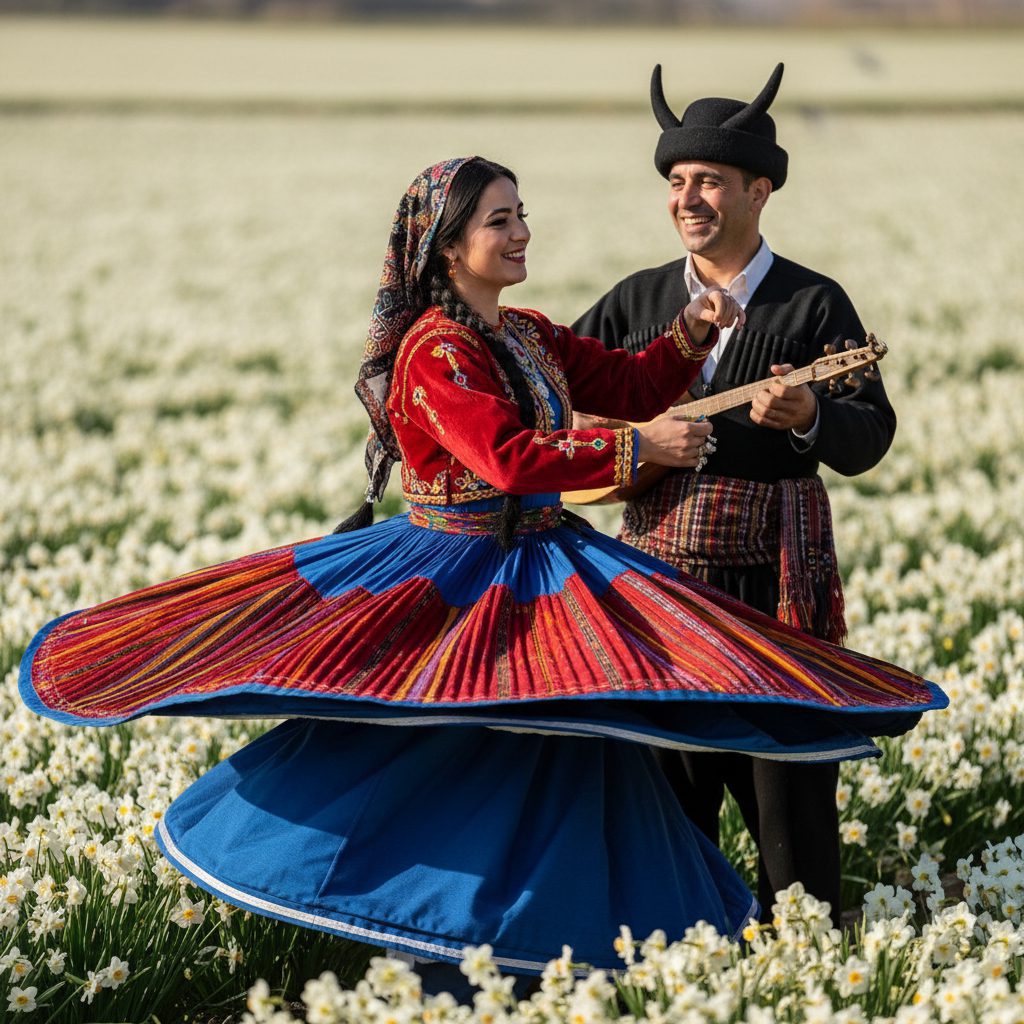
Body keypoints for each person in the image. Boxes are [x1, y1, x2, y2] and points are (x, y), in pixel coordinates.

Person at [20, 156, 942, 987]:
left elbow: (626, 381)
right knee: (459, 751)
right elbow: (508, 459)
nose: (520, 232)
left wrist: (695, 334)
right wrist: (635, 455)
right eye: (499, 220)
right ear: (448, 244)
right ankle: (443, 948)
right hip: (460, 571)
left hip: (538, 559)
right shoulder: (436, 351)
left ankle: (570, 949)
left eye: (522, 214)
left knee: (558, 753)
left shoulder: (530, 333)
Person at [571, 64, 898, 922]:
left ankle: (802, 960)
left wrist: (808, 415)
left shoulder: (813, 304)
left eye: (709, 181)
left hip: (775, 588)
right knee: (669, 788)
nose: (689, 199)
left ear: (760, 190)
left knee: (789, 793)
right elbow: (556, 409)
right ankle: (678, 956)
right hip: (658, 587)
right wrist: (636, 445)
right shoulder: (634, 302)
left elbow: (871, 435)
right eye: (677, 183)